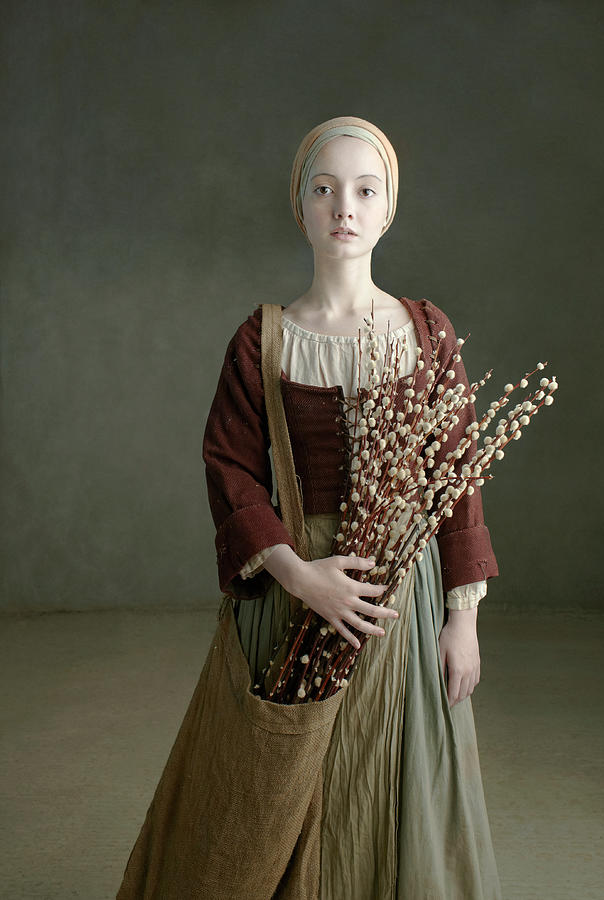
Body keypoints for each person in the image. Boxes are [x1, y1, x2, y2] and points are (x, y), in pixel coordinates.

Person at [202, 116, 503, 898]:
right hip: (294, 589)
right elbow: (232, 469)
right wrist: (302, 579)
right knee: (287, 784)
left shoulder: (424, 332)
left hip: (403, 605)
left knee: (395, 780)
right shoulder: (262, 340)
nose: (344, 205)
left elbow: (455, 477)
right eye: (324, 188)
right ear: (299, 206)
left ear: (387, 209)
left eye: (364, 190)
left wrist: (461, 620)